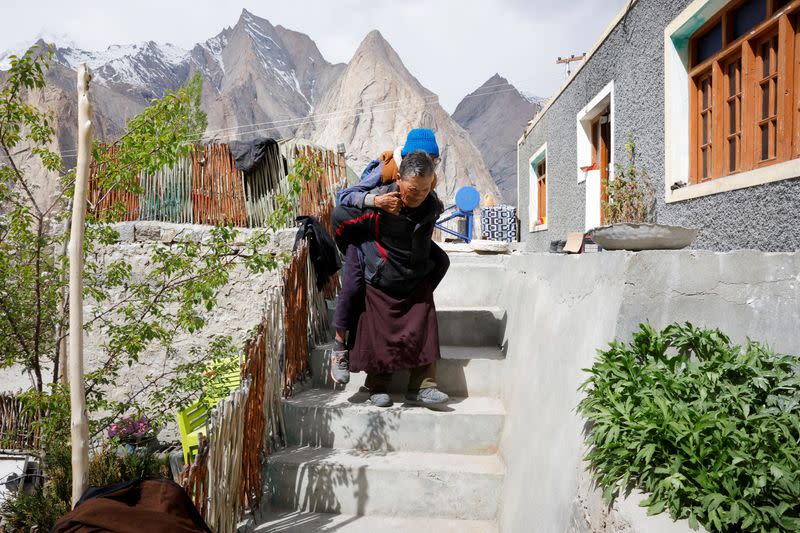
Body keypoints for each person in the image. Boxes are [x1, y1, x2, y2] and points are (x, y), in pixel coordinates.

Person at [330, 129, 449, 385]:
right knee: (352, 285)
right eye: (426, 157)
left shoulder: (427, 176)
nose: (430, 162)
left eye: (433, 159)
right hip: (364, 230)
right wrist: (375, 201)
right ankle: (340, 344)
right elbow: (343, 199)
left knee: (439, 262)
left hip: (398, 240)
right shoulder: (386, 171)